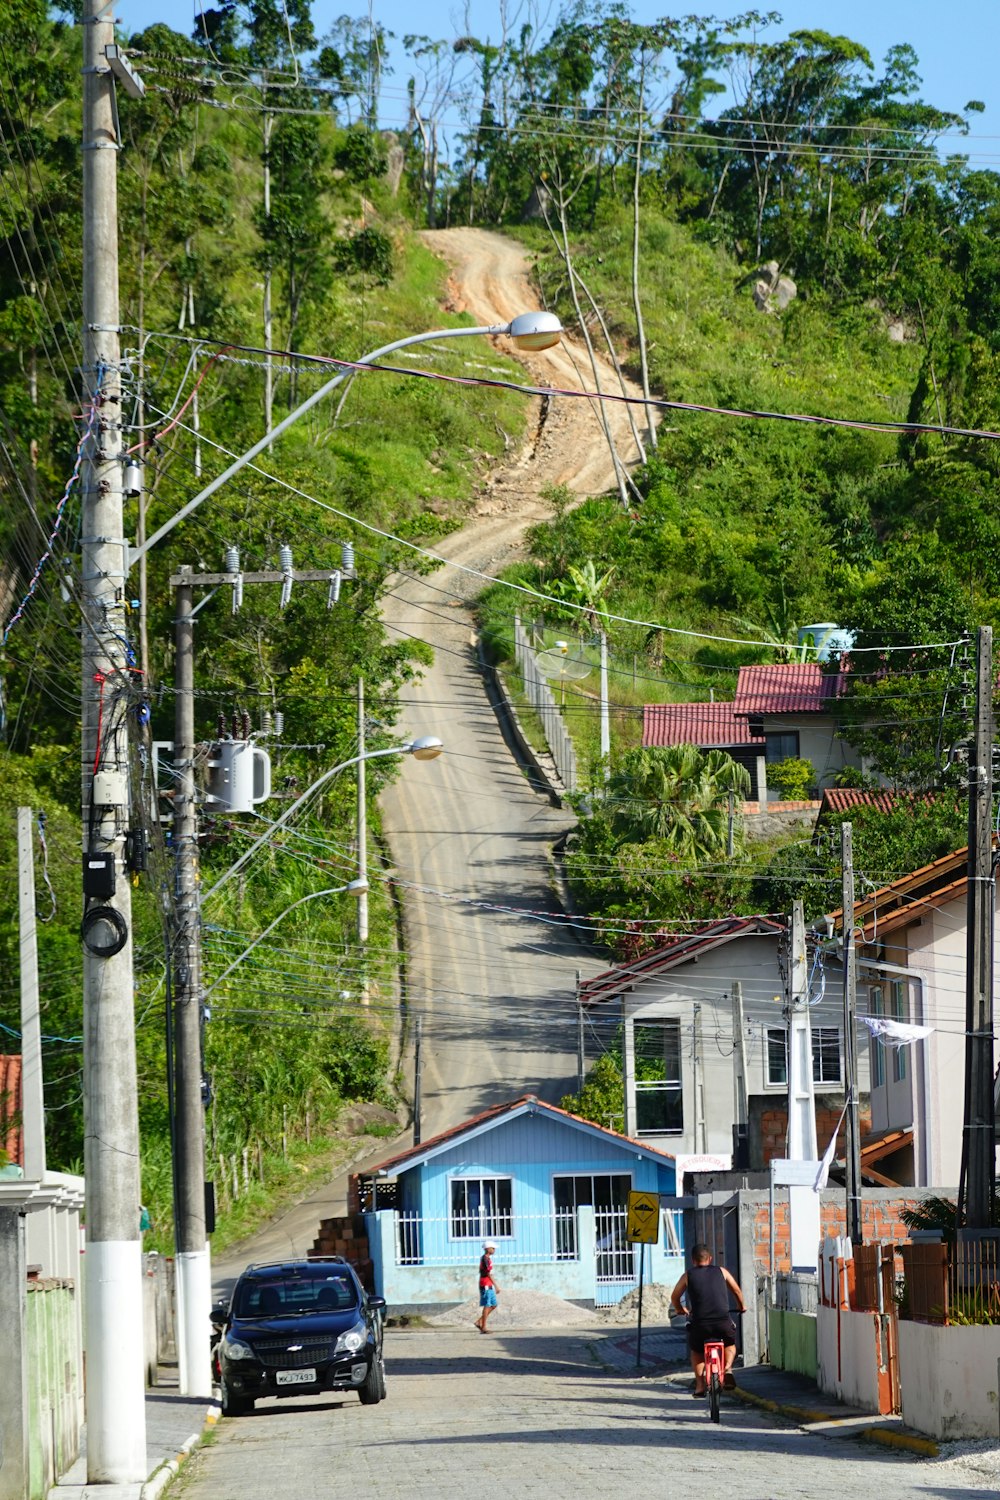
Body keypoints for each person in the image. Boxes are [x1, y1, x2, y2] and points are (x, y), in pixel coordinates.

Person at [670, 1243, 746, 1396]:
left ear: (693, 1260)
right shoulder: (722, 1271)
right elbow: (736, 1290)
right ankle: (727, 1368)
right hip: (722, 1322)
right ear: (710, 1258)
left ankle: (699, 1386)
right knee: (730, 1344)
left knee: (697, 1351)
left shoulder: (688, 1275)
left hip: (700, 1325)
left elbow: (675, 1296)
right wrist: (741, 1306)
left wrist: (679, 1309)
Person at [476, 1241, 500, 1333]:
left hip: (488, 1283)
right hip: (485, 1284)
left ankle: (479, 1322)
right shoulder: (485, 1259)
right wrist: (496, 1286)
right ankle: (483, 1327)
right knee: (487, 1305)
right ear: (487, 1249)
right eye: (493, 1248)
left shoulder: (488, 1259)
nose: (494, 1250)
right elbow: (488, 1273)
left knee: (494, 1305)